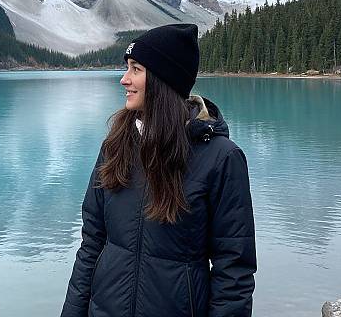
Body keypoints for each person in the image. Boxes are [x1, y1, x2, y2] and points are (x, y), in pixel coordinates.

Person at [60, 23, 256, 317]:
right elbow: (91, 245)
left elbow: (234, 272)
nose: (124, 80)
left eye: (136, 69)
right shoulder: (114, 148)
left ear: (164, 79)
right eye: (127, 68)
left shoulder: (221, 158)